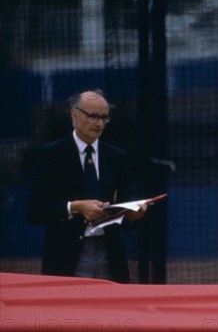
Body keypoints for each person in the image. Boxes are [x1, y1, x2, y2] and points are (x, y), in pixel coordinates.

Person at [27, 89, 147, 282]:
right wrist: (75, 207)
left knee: (111, 309)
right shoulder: (51, 155)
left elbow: (122, 210)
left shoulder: (117, 158)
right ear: (74, 114)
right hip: (67, 255)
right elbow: (34, 211)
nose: (99, 123)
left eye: (104, 118)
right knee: (69, 310)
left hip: (110, 256)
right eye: (92, 116)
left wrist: (132, 215)